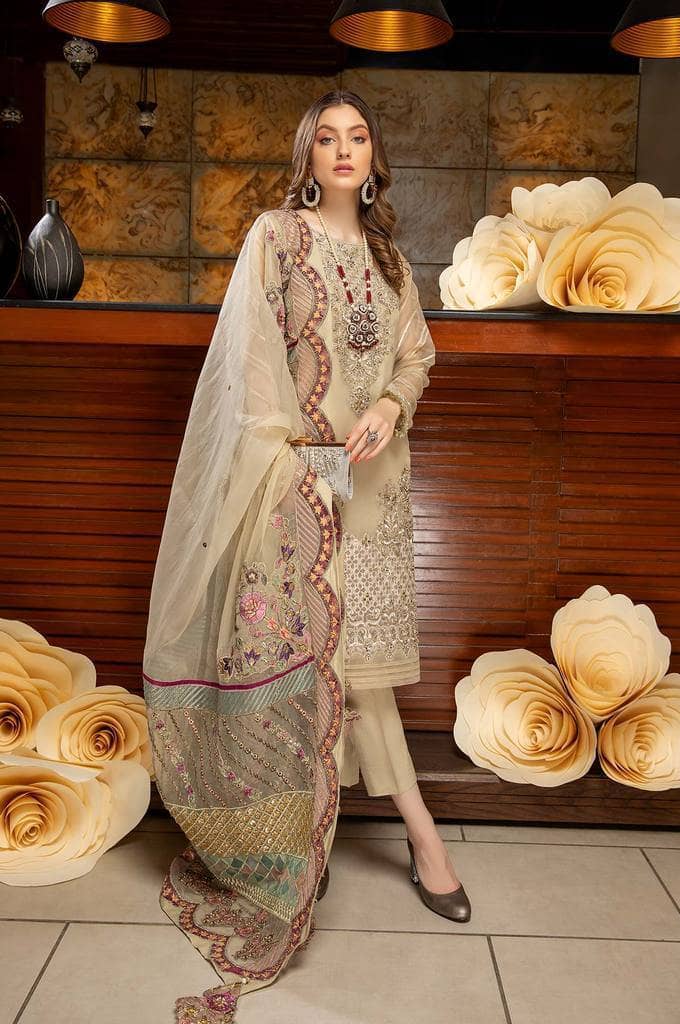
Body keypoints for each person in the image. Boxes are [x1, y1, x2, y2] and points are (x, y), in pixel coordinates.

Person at [142, 89, 469, 1024]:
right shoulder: (276, 238)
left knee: (354, 666)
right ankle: (418, 838)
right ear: (308, 154)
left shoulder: (390, 259)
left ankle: (319, 842)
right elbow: (251, 367)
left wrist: (390, 405)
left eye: (358, 136)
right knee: (323, 663)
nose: (343, 150)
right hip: (296, 482)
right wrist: (307, 466)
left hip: (376, 488)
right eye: (326, 137)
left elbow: (415, 356)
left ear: (374, 158)